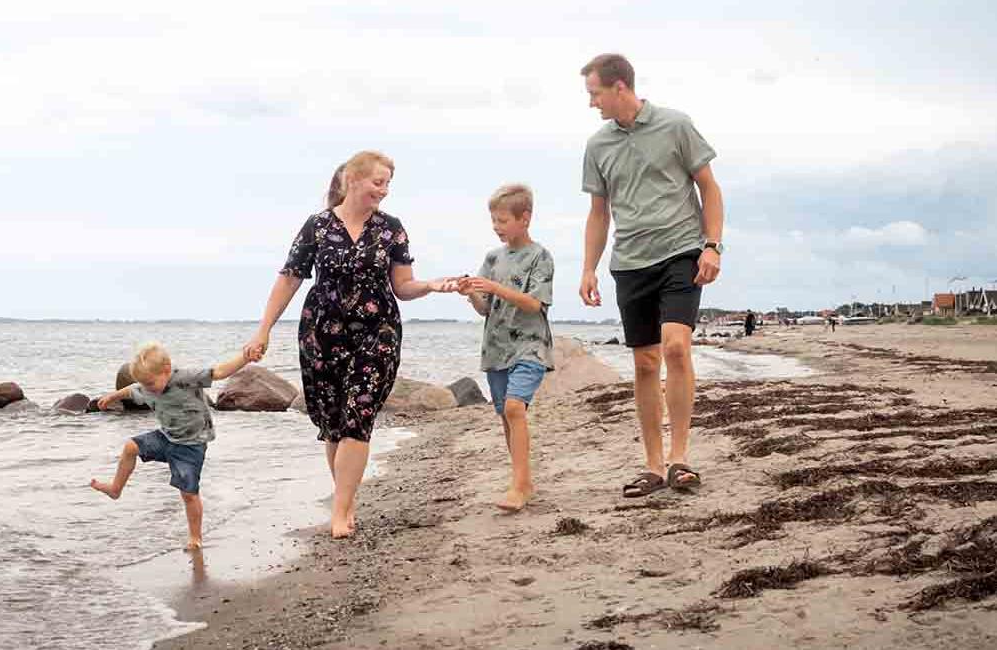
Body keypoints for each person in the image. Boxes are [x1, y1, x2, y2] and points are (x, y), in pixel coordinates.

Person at [243, 150, 458, 539]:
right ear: (352, 180)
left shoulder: (391, 228)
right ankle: (347, 498)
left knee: (358, 415)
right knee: (333, 424)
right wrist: (264, 329)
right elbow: (289, 279)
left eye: (388, 183)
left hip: (378, 333)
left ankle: (339, 513)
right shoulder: (318, 227)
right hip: (322, 334)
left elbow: (402, 286)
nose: (385, 191)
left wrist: (430, 285)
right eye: (379, 182)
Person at [576, 54, 725, 498]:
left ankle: (680, 459)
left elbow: (709, 188)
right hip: (630, 262)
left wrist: (713, 245)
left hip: (682, 251)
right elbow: (598, 213)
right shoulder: (597, 145)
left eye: (594, 93)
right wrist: (588, 267)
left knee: (677, 348)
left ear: (620, 86)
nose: (591, 103)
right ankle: (653, 465)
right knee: (644, 363)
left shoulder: (676, 125)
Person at [90, 342, 253, 550]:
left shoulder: (185, 378)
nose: (147, 389)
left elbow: (219, 371)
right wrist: (113, 396)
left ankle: (195, 538)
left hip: (191, 445)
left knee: (188, 494)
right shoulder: (147, 386)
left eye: (150, 383)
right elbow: (133, 390)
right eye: (145, 385)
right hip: (166, 437)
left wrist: (245, 358)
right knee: (130, 447)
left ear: (167, 370)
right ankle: (115, 489)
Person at [456, 184, 554, 512]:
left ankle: (520, 486)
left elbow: (533, 304)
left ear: (524, 218)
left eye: (502, 220)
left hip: (530, 346)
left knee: (515, 408)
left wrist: (496, 287)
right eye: (493, 221)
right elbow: (485, 307)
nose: (496, 227)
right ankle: (522, 478)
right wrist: (470, 291)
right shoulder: (492, 258)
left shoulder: (540, 257)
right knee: (506, 416)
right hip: (496, 348)